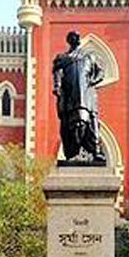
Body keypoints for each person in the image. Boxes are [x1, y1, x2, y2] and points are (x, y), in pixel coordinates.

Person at [52, 31, 106, 164]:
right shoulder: (62, 58)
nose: (74, 39)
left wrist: (92, 81)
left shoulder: (89, 57)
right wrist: (58, 86)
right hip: (70, 97)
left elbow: (101, 72)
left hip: (87, 96)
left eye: (76, 37)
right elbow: (57, 72)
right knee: (71, 125)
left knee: (91, 123)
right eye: (71, 38)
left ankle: (95, 151)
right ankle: (72, 152)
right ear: (69, 41)